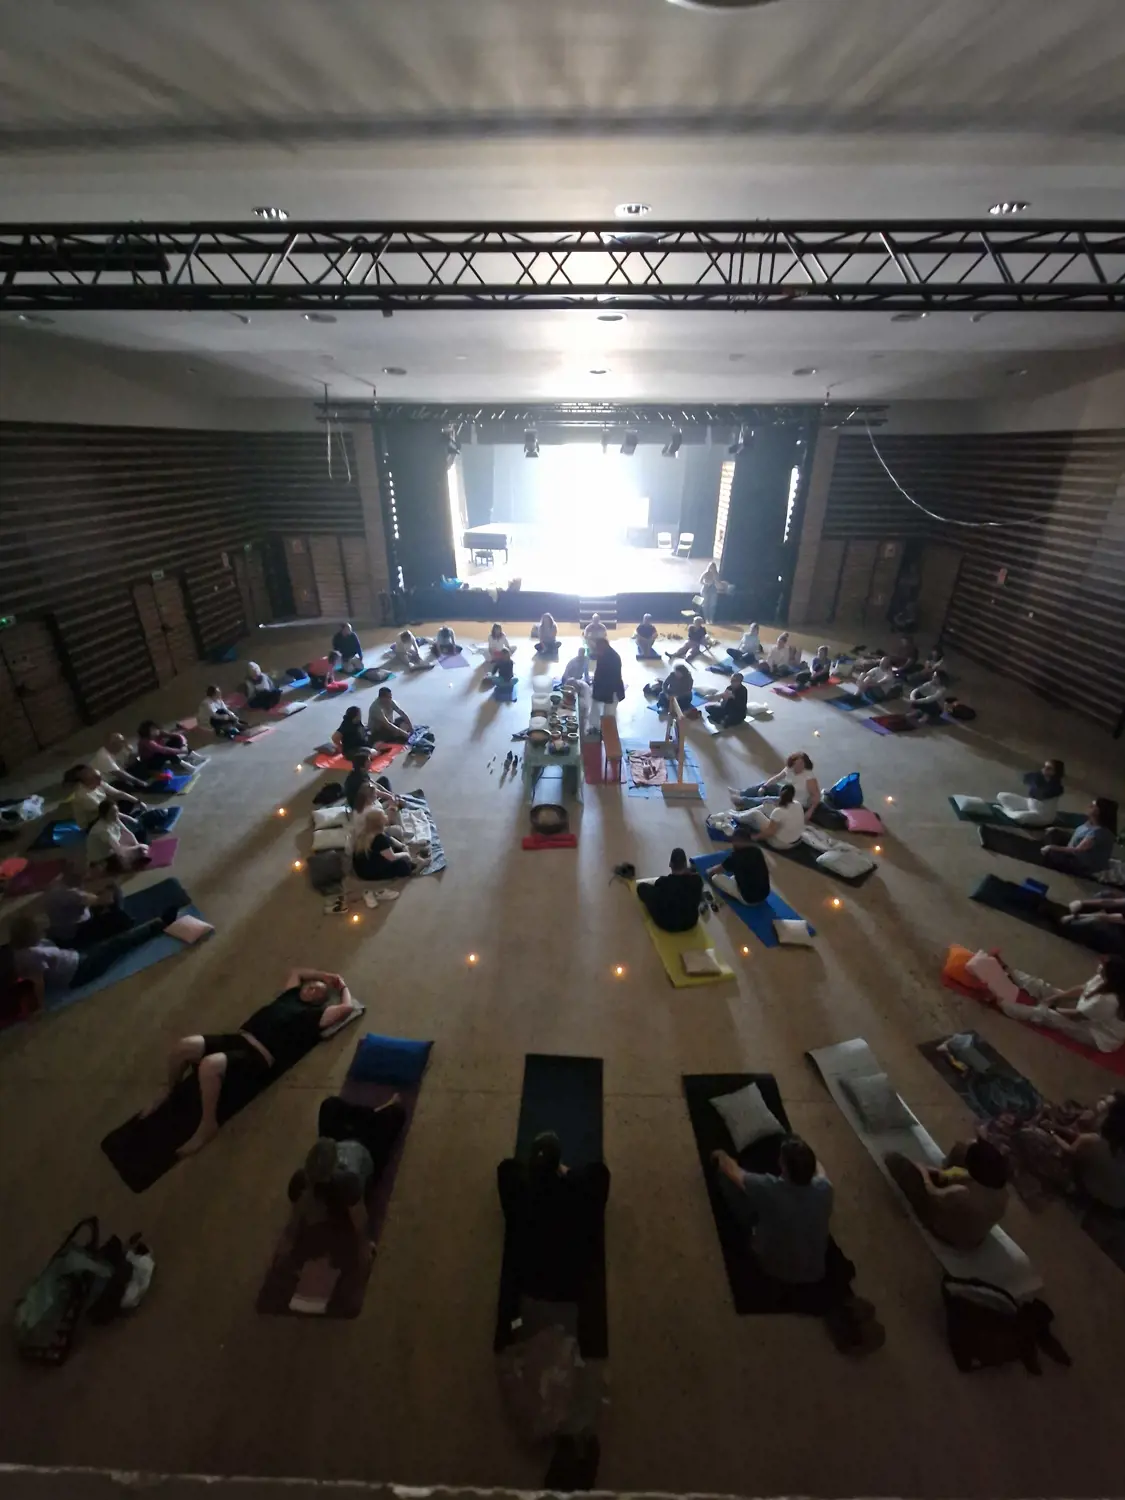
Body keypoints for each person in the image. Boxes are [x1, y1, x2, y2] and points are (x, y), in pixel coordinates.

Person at [139, 968, 360, 1156]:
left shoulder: (315, 1014)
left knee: (209, 1066)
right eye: (311, 986)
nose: (311, 990)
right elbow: (298, 971)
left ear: (321, 1000)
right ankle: (169, 1089)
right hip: (238, 1039)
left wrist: (341, 986)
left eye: (318, 991)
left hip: (259, 1055)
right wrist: (327, 976)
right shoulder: (288, 995)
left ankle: (208, 1125)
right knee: (184, 1046)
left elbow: (347, 1008)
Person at [285, 1095, 407, 1269]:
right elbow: (296, 1212)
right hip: (358, 1140)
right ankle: (375, 1112)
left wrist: (364, 1245)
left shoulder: (346, 1183)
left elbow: (359, 1214)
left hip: (363, 1145)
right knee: (393, 1114)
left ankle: (374, 1113)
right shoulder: (302, 1181)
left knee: (331, 1106)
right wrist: (290, 1240)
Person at [497, 1130, 610, 1305]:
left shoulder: (523, 1197)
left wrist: (535, 1172)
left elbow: (505, 1169)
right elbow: (600, 1174)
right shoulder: (574, 1196)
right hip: (570, 1289)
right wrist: (568, 1173)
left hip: (529, 1287)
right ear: (558, 1163)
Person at [711, 1135, 833, 1285]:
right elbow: (820, 1170)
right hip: (815, 1272)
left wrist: (721, 1155)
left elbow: (733, 1172)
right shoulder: (825, 1188)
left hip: (773, 1268)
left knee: (730, 1183)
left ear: (783, 1166)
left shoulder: (769, 1188)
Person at [8, 904, 178, 1007]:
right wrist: (39, 1006)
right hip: (80, 972)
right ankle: (160, 924)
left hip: (78, 958)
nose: (41, 932)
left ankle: (155, 924)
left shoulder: (22, 949)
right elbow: (38, 981)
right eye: (37, 931)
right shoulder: (33, 955)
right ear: (29, 936)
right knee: (120, 944)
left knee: (111, 942)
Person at [984, 954, 1125, 1054]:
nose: (1099, 967)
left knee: (1044, 1014)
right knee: (1045, 988)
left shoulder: (1107, 1002)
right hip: (1088, 1011)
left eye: (1103, 967)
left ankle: (1003, 1005)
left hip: (1096, 1034)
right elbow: (1083, 988)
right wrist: (1056, 996)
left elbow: (1076, 1016)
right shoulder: (1105, 979)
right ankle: (1009, 971)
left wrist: (1052, 1007)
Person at [883, 1140, 1009, 1251]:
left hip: (945, 1230)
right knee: (960, 1150)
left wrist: (923, 1171)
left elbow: (932, 1191)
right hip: (973, 1238)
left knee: (896, 1161)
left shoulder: (962, 1193)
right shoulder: (1003, 1192)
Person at [42, 865, 136, 949]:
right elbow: (104, 900)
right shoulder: (74, 896)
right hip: (70, 936)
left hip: (61, 932)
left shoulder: (56, 885)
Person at [732, 750, 820, 823]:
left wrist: (810, 811)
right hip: (786, 791)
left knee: (768, 800)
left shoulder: (809, 778)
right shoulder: (790, 769)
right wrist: (764, 787)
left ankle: (743, 801)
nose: (798, 767)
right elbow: (777, 778)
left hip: (793, 802)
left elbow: (816, 796)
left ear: (805, 764)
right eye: (796, 764)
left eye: (801, 764)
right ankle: (742, 793)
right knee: (766, 784)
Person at [1041, 797, 1118, 877]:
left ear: (1099, 812)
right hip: (1075, 850)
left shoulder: (1099, 832)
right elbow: (1077, 834)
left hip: (1082, 865)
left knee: (1052, 853)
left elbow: (1077, 850)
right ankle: (1046, 853)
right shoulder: (1090, 823)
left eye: (1093, 806)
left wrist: (1052, 847)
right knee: (1053, 833)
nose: (1089, 806)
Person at [635, 847, 704, 932]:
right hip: (691, 922)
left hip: (667, 925)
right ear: (685, 864)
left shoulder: (664, 882)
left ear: (670, 864)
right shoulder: (697, 880)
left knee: (642, 888)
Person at [63, 763, 147, 832]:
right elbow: (108, 811)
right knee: (113, 819)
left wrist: (138, 802)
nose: (101, 779)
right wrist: (131, 820)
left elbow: (118, 793)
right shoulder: (83, 796)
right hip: (93, 822)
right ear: (87, 780)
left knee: (126, 800)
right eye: (96, 778)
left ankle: (125, 821)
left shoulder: (97, 783)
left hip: (105, 811)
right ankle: (125, 823)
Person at [706, 827, 771, 906]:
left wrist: (708, 872)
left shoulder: (735, 858)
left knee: (715, 877)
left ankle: (737, 896)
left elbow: (714, 871)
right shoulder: (757, 851)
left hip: (749, 900)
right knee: (741, 874)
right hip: (764, 895)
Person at [351, 806, 418, 881]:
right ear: (379, 822)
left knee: (397, 848)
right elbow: (392, 858)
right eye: (384, 815)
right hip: (370, 873)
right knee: (402, 864)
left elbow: (391, 839)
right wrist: (406, 854)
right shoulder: (380, 839)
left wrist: (402, 846)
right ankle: (414, 866)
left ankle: (414, 862)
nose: (386, 816)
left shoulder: (367, 832)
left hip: (362, 870)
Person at [734, 783, 807, 851]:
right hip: (797, 840)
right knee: (766, 806)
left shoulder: (779, 811)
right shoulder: (798, 804)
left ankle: (736, 815)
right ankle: (742, 813)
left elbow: (770, 832)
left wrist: (755, 837)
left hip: (780, 843)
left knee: (756, 814)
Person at [86, 799, 151, 872]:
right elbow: (119, 850)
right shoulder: (103, 830)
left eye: (116, 811)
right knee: (135, 854)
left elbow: (127, 832)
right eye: (112, 813)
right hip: (102, 858)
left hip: (112, 849)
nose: (116, 815)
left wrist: (137, 844)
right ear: (104, 815)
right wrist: (138, 848)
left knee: (140, 838)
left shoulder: (114, 819)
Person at [996, 759, 1065, 827]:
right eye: (1045, 766)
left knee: (1020, 817)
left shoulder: (1057, 787)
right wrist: (1038, 777)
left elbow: (1041, 794)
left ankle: (1007, 812)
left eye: (1049, 768)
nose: (1045, 769)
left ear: (1056, 772)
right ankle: (1017, 812)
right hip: (1029, 804)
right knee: (1001, 796)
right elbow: (1025, 778)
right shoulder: (1039, 777)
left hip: (1041, 816)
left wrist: (1038, 779)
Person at [1060, 894, 1125, 956]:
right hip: (1120, 921)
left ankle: (1067, 931)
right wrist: (1082, 903)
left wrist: (1077, 916)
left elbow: (1104, 918)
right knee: (1106, 895)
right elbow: (1113, 902)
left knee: (1090, 924)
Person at [136, 721, 203, 775]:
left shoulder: (159, 733)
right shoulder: (145, 741)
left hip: (160, 753)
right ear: (147, 732)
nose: (156, 730)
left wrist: (184, 745)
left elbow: (179, 736)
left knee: (176, 740)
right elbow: (163, 750)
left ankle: (197, 756)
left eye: (155, 728)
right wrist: (181, 751)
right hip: (150, 762)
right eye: (153, 730)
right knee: (167, 753)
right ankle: (189, 767)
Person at [590, 637, 624, 721]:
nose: (597, 651)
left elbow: (613, 679)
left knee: (609, 716)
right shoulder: (603, 654)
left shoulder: (613, 658)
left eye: (598, 649)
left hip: (612, 691)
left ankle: (606, 727)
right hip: (603, 688)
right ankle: (596, 726)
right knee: (595, 710)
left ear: (603, 646)